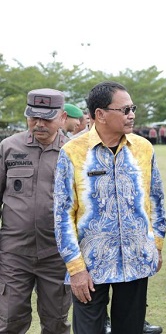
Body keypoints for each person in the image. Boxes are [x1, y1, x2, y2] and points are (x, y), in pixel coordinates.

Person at [54, 81, 166, 334]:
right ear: (100, 114)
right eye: (125, 110)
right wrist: (76, 269)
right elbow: (63, 216)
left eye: (132, 109)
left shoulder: (143, 148)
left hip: (136, 260)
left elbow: (156, 201)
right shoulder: (72, 152)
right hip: (90, 266)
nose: (131, 115)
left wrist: (156, 246)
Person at [0, 88, 71, 333]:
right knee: (10, 320)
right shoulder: (8, 147)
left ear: (62, 117)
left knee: (56, 322)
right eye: (33, 117)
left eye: (47, 118)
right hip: (14, 253)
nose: (39, 124)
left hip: (58, 255)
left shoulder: (74, 152)